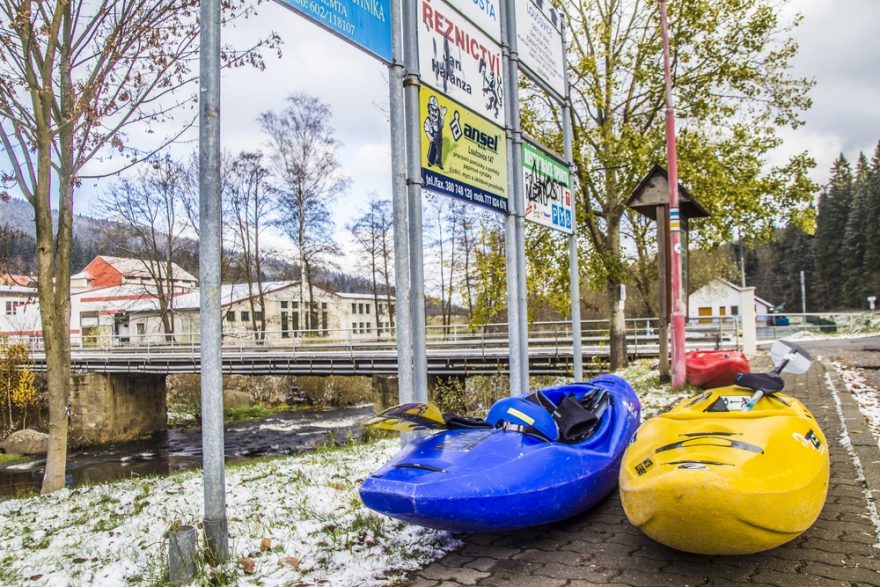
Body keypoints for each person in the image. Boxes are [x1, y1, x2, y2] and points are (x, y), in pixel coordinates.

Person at [424, 95, 447, 169]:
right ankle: (430, 162)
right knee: (433, 150)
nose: (434, 113)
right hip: (433, 138)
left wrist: (443, 114)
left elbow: (442, 124)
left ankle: (439, 162)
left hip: (439, 138)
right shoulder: (428, 120)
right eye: (432, 110)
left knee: (439, 151)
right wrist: (430, 137)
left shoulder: (439, 121)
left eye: (436, 110)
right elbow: (426, 129)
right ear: (429, 110)